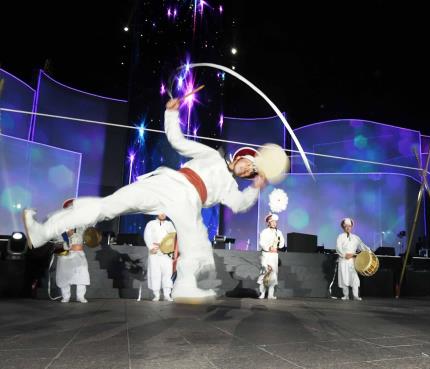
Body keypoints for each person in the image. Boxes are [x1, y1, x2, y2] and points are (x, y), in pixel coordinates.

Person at [23, 97, 267, 301]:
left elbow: (240, 204)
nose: (247, 171)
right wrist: (171, 113)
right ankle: (43, 231)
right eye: (248, 164)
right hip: (168, 183)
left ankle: (184, 285)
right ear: (240, 156)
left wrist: (255, 188)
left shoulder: (231, 187)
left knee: (198, 241)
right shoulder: (212, 155)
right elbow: (178, 142)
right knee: (106, 207)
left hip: (189, 200)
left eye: (251, 171)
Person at [55, 198, 91, 303]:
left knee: (82, 274)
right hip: (64, 251)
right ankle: (65, 296)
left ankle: (80, 296)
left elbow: (89, 230)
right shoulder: (60, 223)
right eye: (70, 207)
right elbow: (57, 238)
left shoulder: (81, 223)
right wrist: (64, 247)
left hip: (78, 252)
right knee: (63, 275)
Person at [143, 213, 176, 301]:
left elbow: (173, 237)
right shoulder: (151, 223)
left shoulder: (169, 224)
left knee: (167, 273)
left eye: (164, 213)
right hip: (155, 251)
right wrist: (151, 247)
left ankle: (167, 294)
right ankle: (156, 294)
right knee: (155, 273)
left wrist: (170, 248)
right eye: (161, 213)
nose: (163, 214)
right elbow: (147, 236)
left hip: (166, 253)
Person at [336, 218, 370, 301]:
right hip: (343, 260)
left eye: (350, 226)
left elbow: (362, 246)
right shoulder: (340, 236)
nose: (348, 227)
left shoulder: (356, 238)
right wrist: (344, 255)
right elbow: (338, 248)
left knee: (354, 278)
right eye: (346, 226)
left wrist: (369, 251)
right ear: (343, 227)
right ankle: (346, 295)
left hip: (352, 261)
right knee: (344, 278)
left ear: (351, 227)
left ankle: (355, 295)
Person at [257, 213, 285, 299]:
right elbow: (262, 243)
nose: (274, 223)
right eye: (272, 221)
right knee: (264, 273)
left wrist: (279, 245)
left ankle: (270, 294)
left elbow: (282, 244)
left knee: (273, 274)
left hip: (274, 256)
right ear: (268, 222)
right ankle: (262, 293)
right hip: (266, 255)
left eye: (275, 222)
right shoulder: (264, 232)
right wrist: (269, 248)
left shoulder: (278, 232)